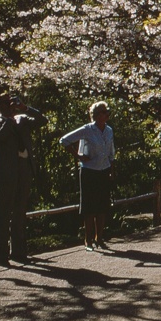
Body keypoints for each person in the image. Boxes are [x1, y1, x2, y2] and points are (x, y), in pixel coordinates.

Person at [0, 92, 48, 265]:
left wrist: (24, 108)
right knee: (2, 213)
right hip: (6, 172)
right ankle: (0, 255)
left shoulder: (22, 118)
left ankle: (18, 252)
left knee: (19, 212)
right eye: (6, 103)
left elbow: (42, 120)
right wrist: (8, 119)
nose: (10, 105)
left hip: (24, 169)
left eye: (11, 102)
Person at [60, 101, 116, 252]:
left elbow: (111, 152)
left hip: (103, 170)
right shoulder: (87, 130)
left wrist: (112, 170)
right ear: (97, 115)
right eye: (104, 112)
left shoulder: (109, 130)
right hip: (89, 171)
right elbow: (64, 140)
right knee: (89, 207)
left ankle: (100, 237)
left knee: (102, 206)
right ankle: (88, 240)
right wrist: (78, 156)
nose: (107, 115)